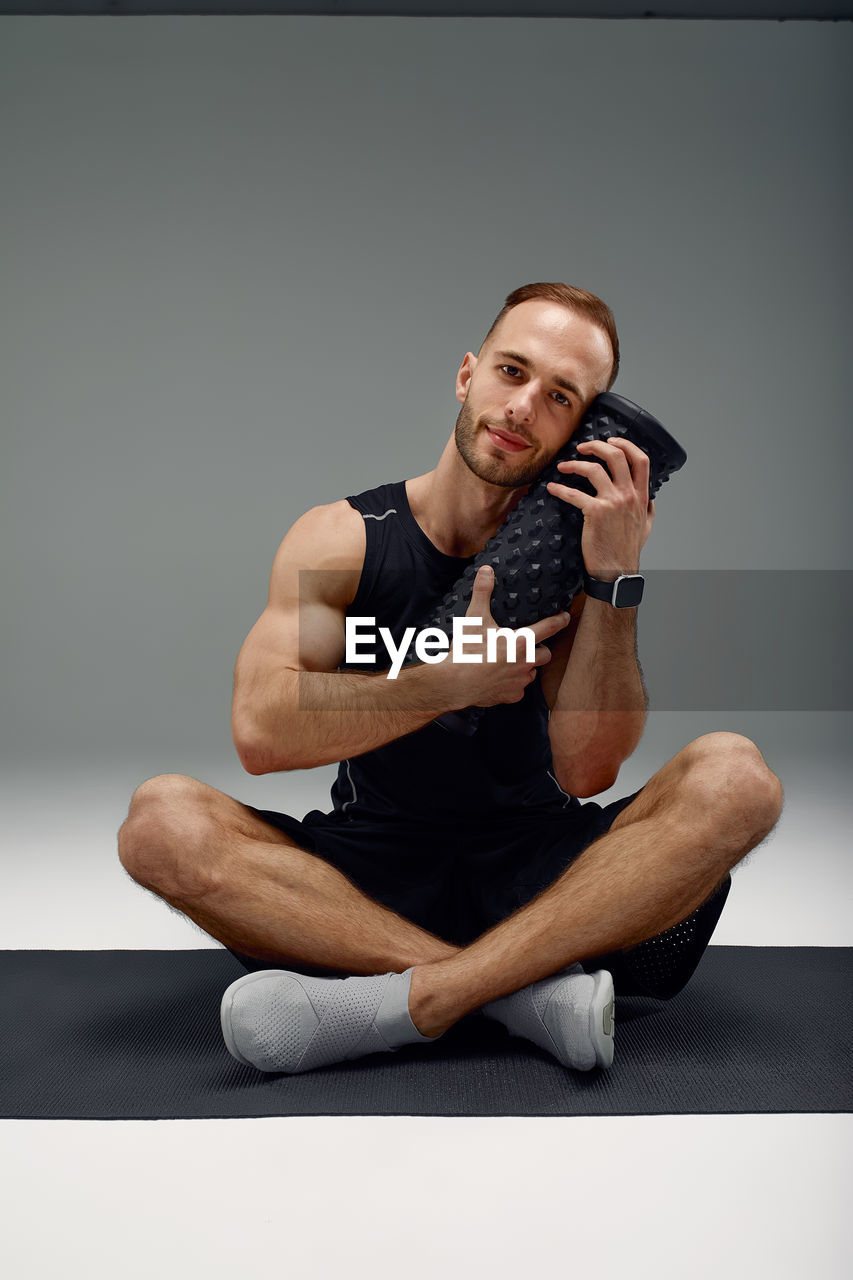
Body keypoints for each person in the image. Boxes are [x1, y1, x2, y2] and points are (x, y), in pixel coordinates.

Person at [117, 282, 783, 1076]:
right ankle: (521, 1000)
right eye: (511, 371)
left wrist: (613, 578)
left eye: (560, 396)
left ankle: (416, 1001)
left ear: (582, 429)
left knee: (736, 777)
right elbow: (261, 734)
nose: (523, 406)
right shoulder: (344, 539)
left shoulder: (575, 564)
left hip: (543, 878)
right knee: (160, 820)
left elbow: (588, 769)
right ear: (467, 375)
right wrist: (443, 685)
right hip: (363, 881)